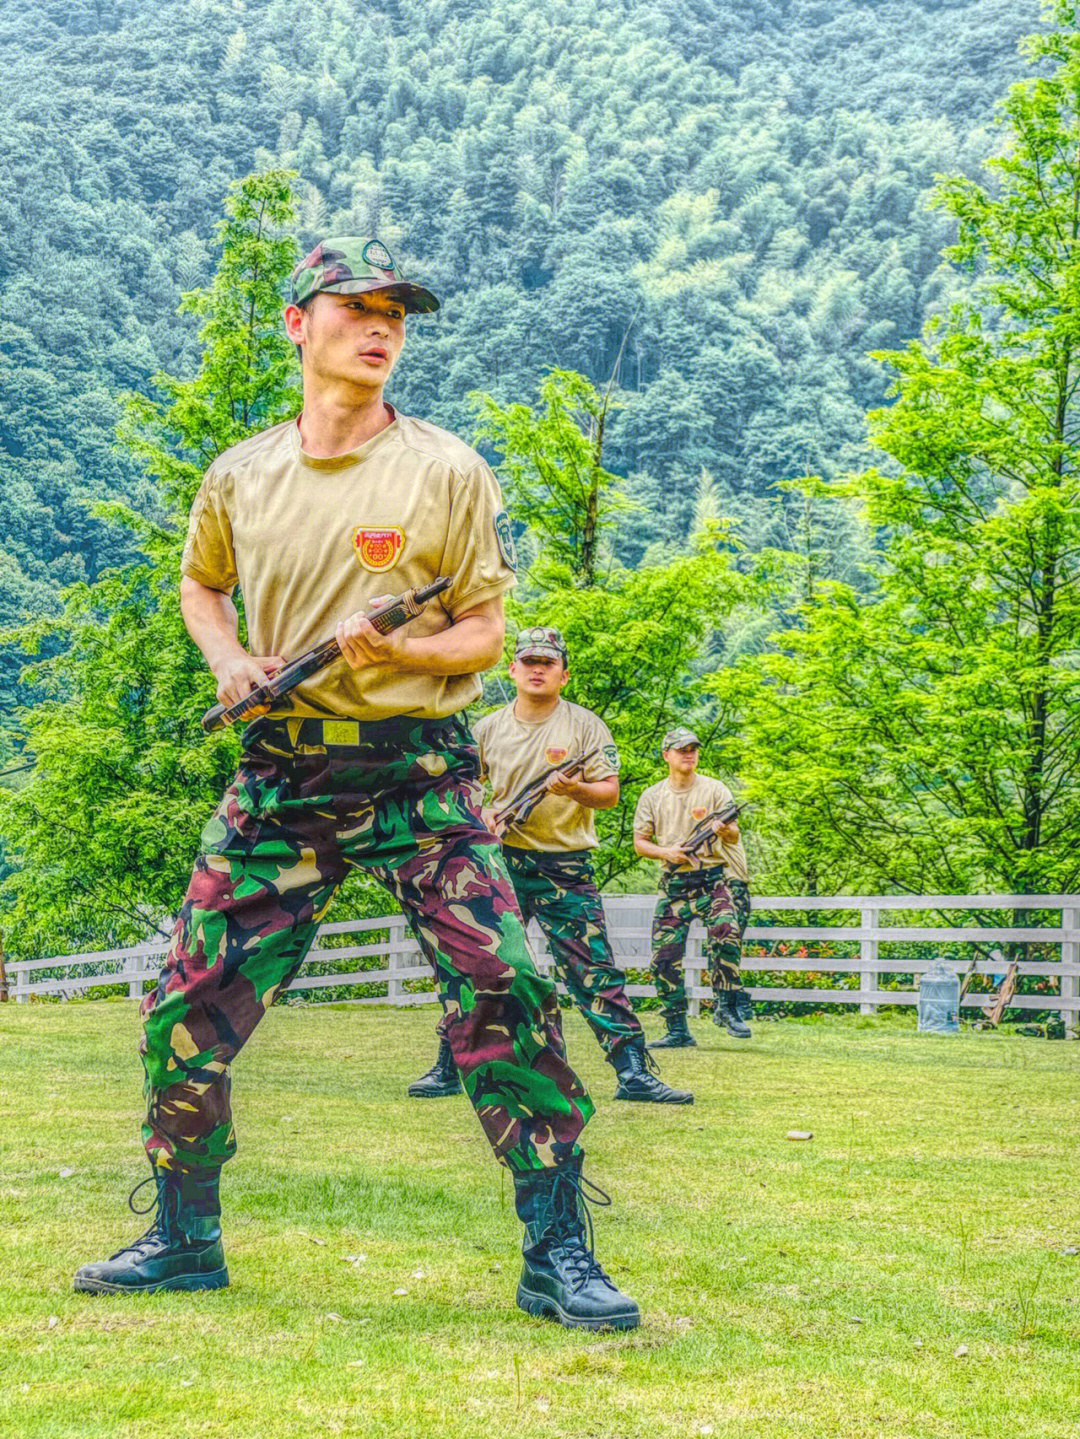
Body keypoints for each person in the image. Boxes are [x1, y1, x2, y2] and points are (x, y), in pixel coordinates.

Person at [73, 236, 639, 1332]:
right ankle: (184, 1236)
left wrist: (396, 656)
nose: (382, 328)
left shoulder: (444, 469)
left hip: (417, 775)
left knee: (508, 988)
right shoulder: (241, 472)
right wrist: (231, 661)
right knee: (183, 1011)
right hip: (279, 776)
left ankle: (558, 1251)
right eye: (357, 308)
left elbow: (482, 632)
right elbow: (201, 585)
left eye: (398, 314)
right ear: (299, 322)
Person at [409, 627, 692, 1106]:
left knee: (593, 971)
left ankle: (633, 1073)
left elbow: (609, 792)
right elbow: (462, 789)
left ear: (564, 673)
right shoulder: (488, 728)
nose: (538, 669)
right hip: (499, 864)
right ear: (513, 669)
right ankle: (448, 1067)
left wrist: (572, 790)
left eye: (548, 662)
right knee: (478, 967)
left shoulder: (585, 727)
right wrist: (485, 817)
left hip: (567, 867)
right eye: (529, 661)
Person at [633, 728, 751, 1047]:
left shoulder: (715, 789)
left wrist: (723, 830)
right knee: (663, 958)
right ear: (666, 754)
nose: (689, 754)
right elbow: (640, 843)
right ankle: (677, 1030)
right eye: (682, 749)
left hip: (712, 879)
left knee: (727, 933)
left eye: (693, 749)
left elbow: (735, 834)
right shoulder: (652, 796)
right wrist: (666, 853)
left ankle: (726, 1007)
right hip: (674, 884)